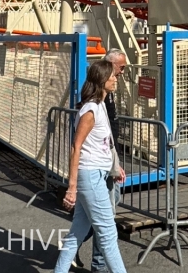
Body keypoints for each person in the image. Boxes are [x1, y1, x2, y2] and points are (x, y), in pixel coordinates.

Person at [53, 61, 127, 273]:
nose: (115, 79)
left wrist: (115, 167)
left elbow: (105, 143)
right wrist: (72, 187)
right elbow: (76, 147)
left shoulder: (101, 105)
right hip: (91, 176)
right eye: (112, 76)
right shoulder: (90, 109)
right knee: (108, 234)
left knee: (78, 232)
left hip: (98, 174)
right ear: (103, 80)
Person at [80, 49, 128, 272]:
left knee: (93, 218)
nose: (120, 75)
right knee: (105, 221)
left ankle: (71, 247)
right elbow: (82, 143)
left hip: (107, 162)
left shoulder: (107, 95)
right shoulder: (93, 104)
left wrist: (115, 162)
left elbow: (109, 133)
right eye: (119, 69)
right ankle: (99, 265)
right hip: (98, 167)